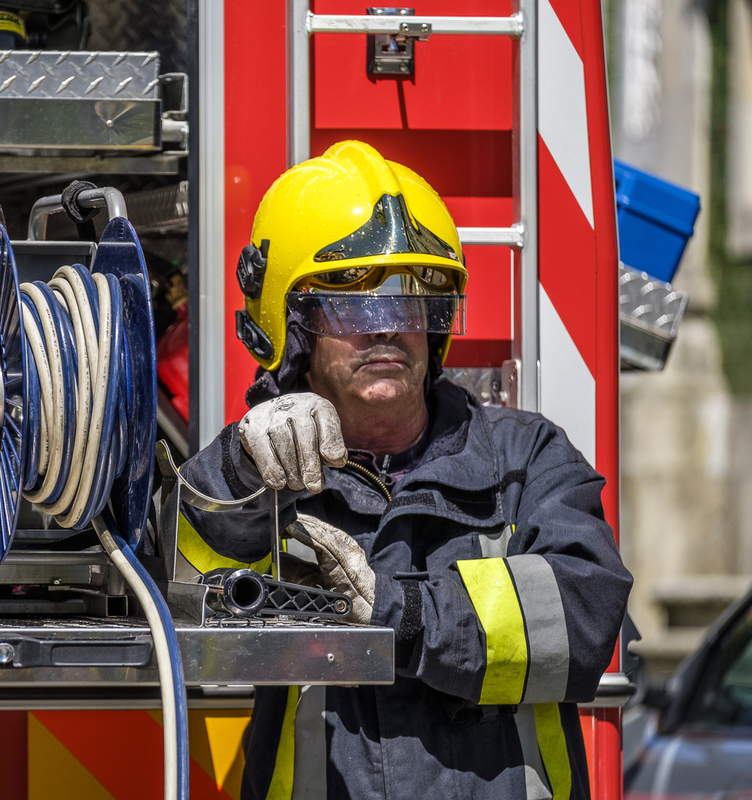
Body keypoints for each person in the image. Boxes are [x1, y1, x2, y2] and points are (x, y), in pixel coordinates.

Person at [178, 141, 632, 800]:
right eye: (355, 306)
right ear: (294, 330)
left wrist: (400, 611)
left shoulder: (527, 458)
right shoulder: (259, 475)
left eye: (409, 304)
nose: (386, 330)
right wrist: (239, 472)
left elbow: (584, 617)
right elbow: (175, 591)